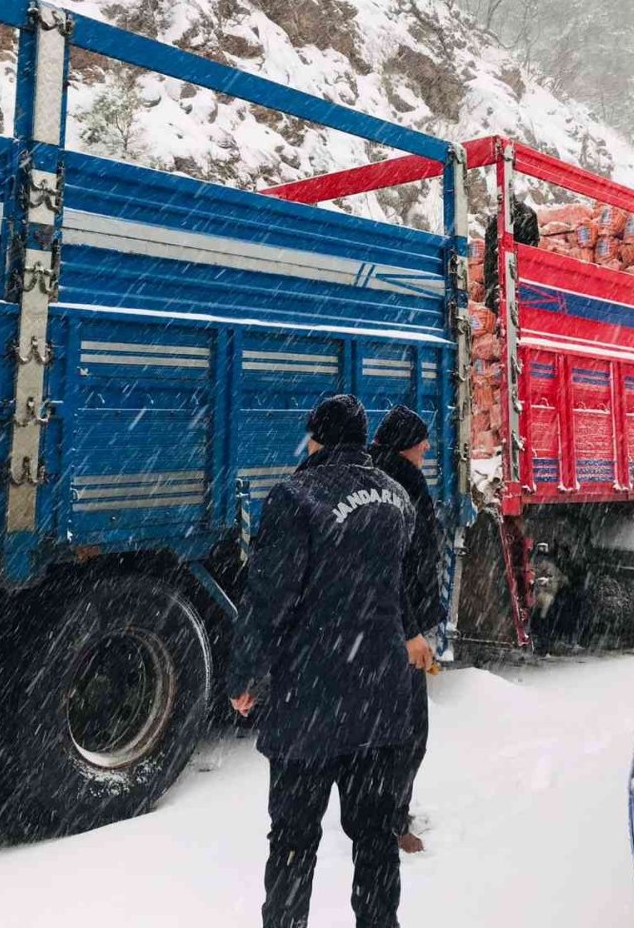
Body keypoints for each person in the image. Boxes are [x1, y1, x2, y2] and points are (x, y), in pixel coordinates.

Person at [229, 393, 415, 928]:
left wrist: (246, 674)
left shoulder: (295, 497)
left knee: (293, 839)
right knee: (376, 836)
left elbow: (269, 598)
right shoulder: (397, 496)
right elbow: (393, 590)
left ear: (316, 438)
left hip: (310, 698)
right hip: (380, 695)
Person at [370, 405, 445, 855]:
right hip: (399, 631)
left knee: (390, 731)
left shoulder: (380, 478)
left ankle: (386, 813)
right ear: (405, 445)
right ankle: (392, 823)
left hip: (387, 627)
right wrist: (411, 632)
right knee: (408, 733)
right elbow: (392, 570)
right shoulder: (401, 487)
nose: (427, 447)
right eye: (421, 439)